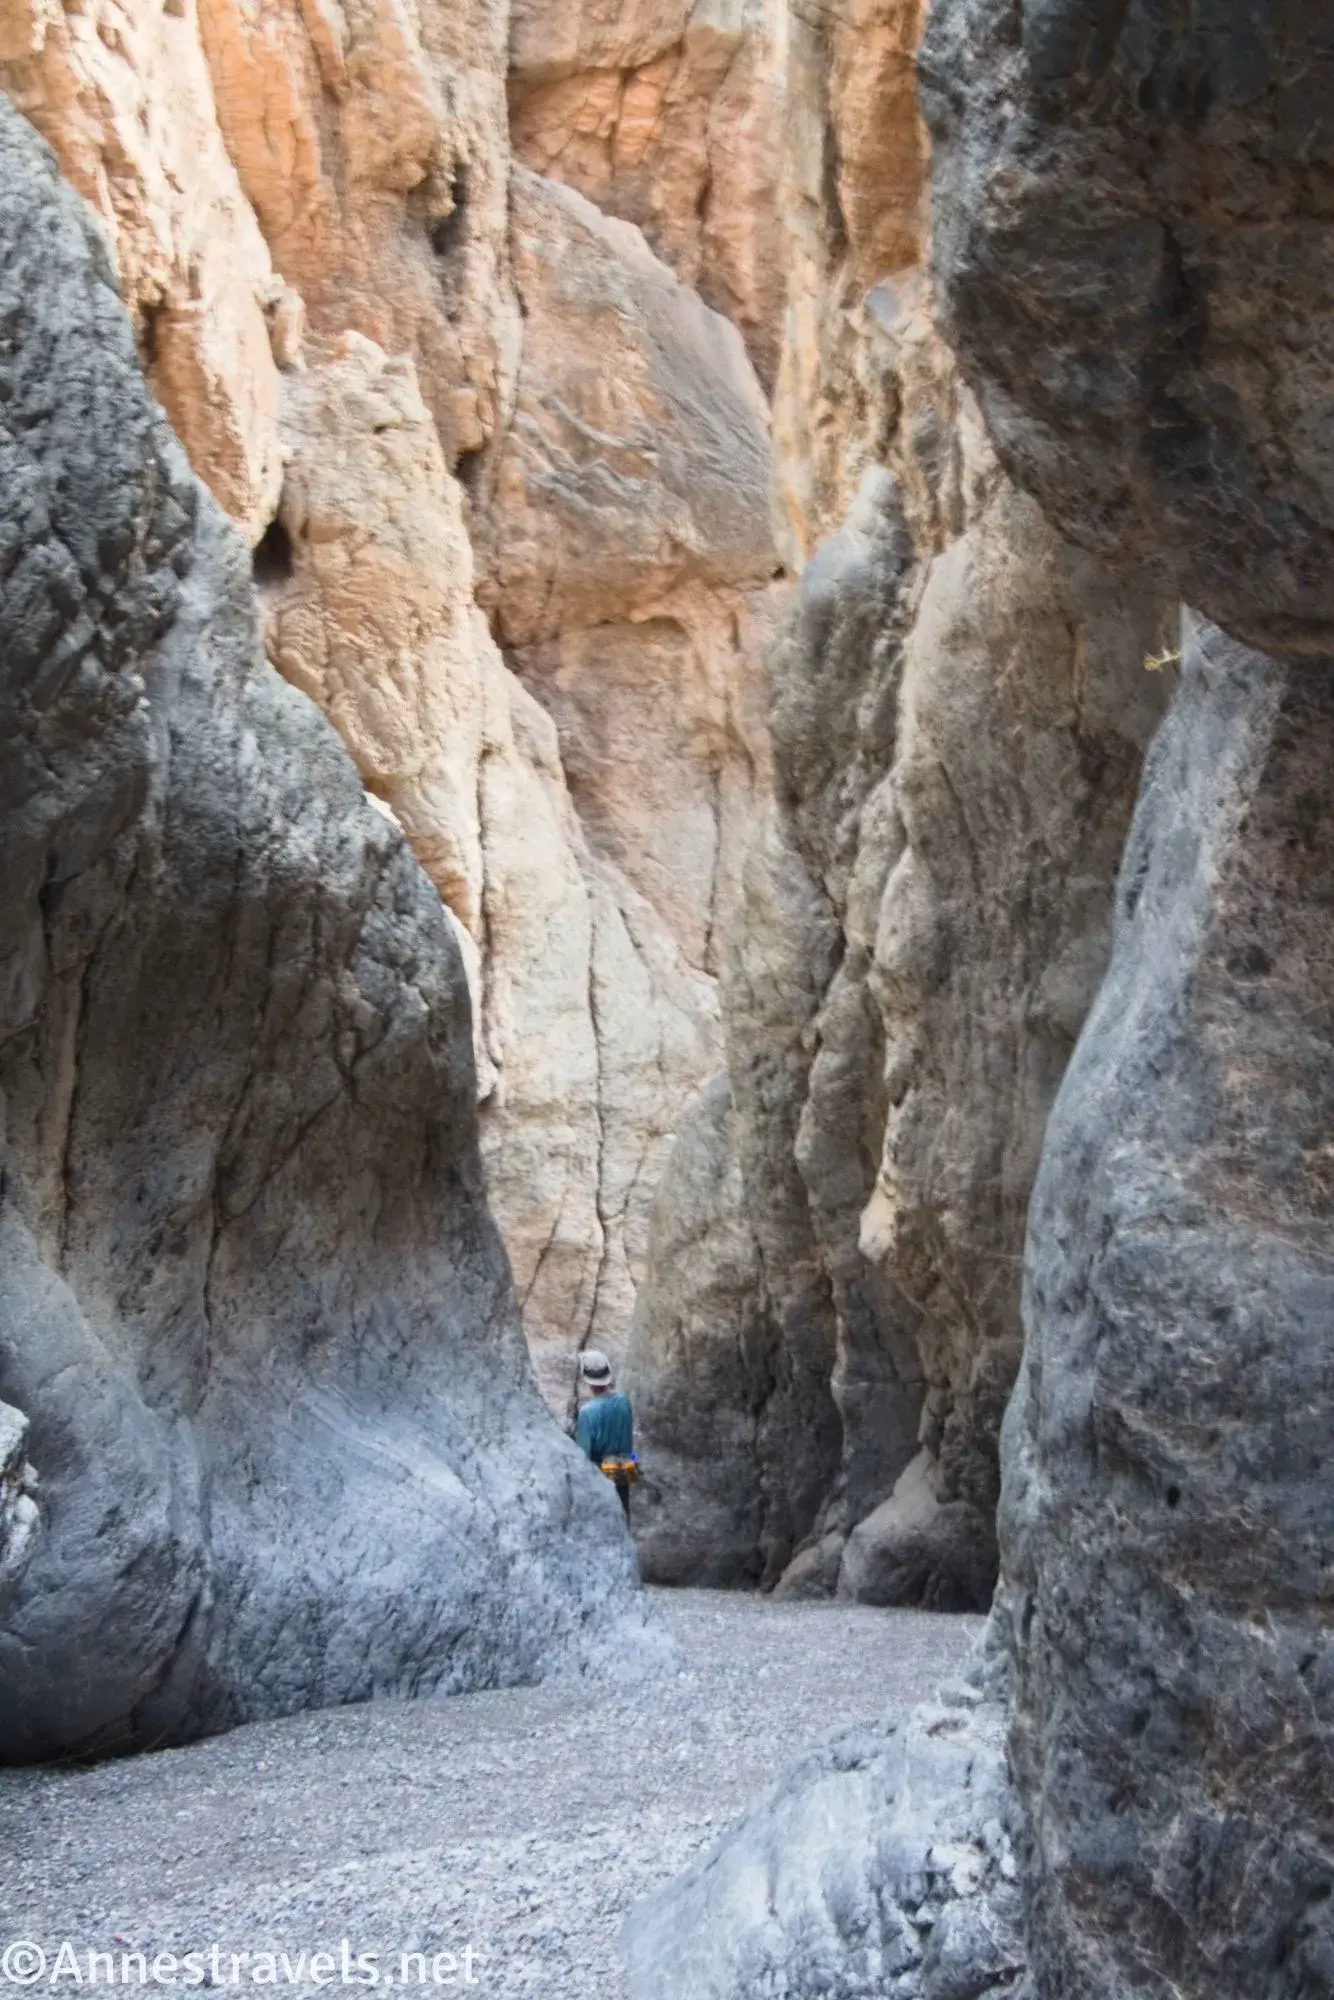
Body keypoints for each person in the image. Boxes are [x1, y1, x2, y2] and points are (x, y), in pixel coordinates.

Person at [575, 1350, 635, 1518]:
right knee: (624, 1512)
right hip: (625, 1467)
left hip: (602, 1473)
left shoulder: (587, 1412)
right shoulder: (624, 1401)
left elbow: (584, 1455)